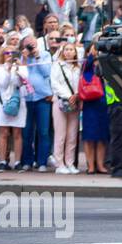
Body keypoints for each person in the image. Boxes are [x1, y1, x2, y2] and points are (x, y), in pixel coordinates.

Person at [19, 35, 53, 172]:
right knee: (27, 132)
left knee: (43, 131)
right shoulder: (22, 57)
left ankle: (42, 162)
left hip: (42, 97)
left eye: (33, 43)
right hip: (26, 99)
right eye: (28, 44)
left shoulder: (45, 55)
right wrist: (25, 59)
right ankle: (27, 161)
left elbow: (46, 73)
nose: (31, 46)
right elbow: (21, 75)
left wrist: (38, 57)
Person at [51, 40, 82, 174]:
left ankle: (70, 163)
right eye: (66, 49)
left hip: (74, 103)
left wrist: (76, 95)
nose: (69, 52)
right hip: (60, 103)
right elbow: (54, 84)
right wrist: (68, 95)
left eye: (71, 49)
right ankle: (59, 164)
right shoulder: (57, 65)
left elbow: (81, 84)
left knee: (72, 135)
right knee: (60, 135)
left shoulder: (78, 67)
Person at [0, 44, 26, 171]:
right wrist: (7, 69)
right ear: (2, 55)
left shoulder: (20, 67)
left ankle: (17, 161)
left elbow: (22, 81)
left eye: (12, 53)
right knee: (3, 133)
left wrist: (19, 68)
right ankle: (2, 161)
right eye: (7, 53)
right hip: (2, 103)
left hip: (18, 102)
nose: (9, 56)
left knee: (18, 133)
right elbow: (3, 83)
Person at [79, 45, 109, 175]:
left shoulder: (106, 61)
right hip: (90, 102)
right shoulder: (87, 64)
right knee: (90, 135)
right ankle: (91, 165)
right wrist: (92, 54)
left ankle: (100, 165)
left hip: (104, 102)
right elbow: (87, 67)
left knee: (102, 136)